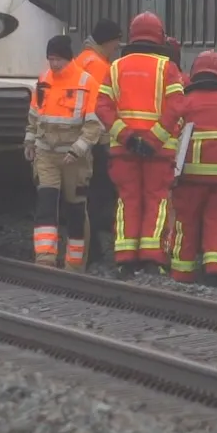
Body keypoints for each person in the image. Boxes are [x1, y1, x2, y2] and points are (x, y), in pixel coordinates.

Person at [95, 12, 186, 276]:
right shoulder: (168, 68)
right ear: (159, 35)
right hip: (158, 152)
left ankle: (125, 258)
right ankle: (152, 258)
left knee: (128, 200)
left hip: (124, 151)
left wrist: (128, 138)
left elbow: (102, 107)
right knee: (156, 201)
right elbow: (176, 106)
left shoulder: (115, 68)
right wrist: (153, 140)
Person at [23, 35, 103, 269]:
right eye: (50, 59)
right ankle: (45, 259)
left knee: (75, 208)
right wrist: (29, 143)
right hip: (45, 154)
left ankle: (75, 264)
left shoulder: (87, 83)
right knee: (46, 205)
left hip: (74, 161)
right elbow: (34, 116)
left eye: (57, 59)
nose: (53, 64)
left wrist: (77, 150)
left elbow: (93, 124)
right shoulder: (44, 80)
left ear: (68, 58)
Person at [171, 51, 217, 286]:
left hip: (191, 175)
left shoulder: (186, 101)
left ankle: (182, 272)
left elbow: (175, 131)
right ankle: (215, 269)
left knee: (186, 222)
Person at [78, 19, 122, 263]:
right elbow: (100, 106)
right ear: (107, 41)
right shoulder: (98, 66)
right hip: (94, 139)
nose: (117, 46)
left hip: (79, 137)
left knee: (87, 194)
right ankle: (92, 249)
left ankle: (89, 247)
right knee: (99, 194)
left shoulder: (83, 59)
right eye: (116, 41)